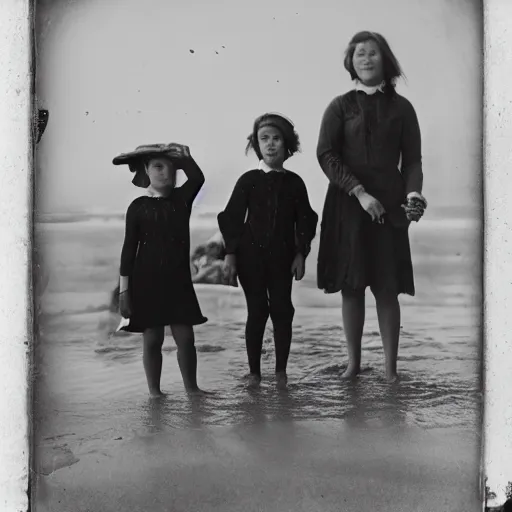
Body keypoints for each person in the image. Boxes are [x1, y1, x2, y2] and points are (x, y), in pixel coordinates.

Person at [316, 31, 428, 382]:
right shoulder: (339, 106)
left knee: (386, 286)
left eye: (373, 53)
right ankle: (353, 364)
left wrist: (413, 196)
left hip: (390, 208)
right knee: (352, 286)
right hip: (349, 204)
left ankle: (391, 370)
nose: (366, 59)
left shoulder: (402, 108)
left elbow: (412, 162)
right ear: (350, 62)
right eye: (359, 53)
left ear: (386, 61)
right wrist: (359, 192)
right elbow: (326, 155)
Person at [218, 113, 318, 388]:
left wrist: (301, 254)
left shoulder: (295, 182)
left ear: (288, 145)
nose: (271, 144)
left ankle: (281, 372)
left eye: (277, 139)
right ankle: (254, 372)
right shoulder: (248, 180)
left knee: (283, 309)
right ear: (256, 144)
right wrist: (230, 255)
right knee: (258, 310)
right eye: (264, 139)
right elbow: (232, 218)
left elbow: (306, 220)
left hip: (284, 258)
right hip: (251, 257)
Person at [113, 142, 208, 397]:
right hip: (146, 282)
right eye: (157, 166)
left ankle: (192, 389)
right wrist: (124, 291)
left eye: (171, 167)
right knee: (153, 340)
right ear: (145, 170)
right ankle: (155, 392)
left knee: (186, 338)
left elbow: (198, 178)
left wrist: (186, 157)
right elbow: (128, 250)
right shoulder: (137, 207)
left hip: (178, 282)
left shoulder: (182, 200)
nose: (165, 172)